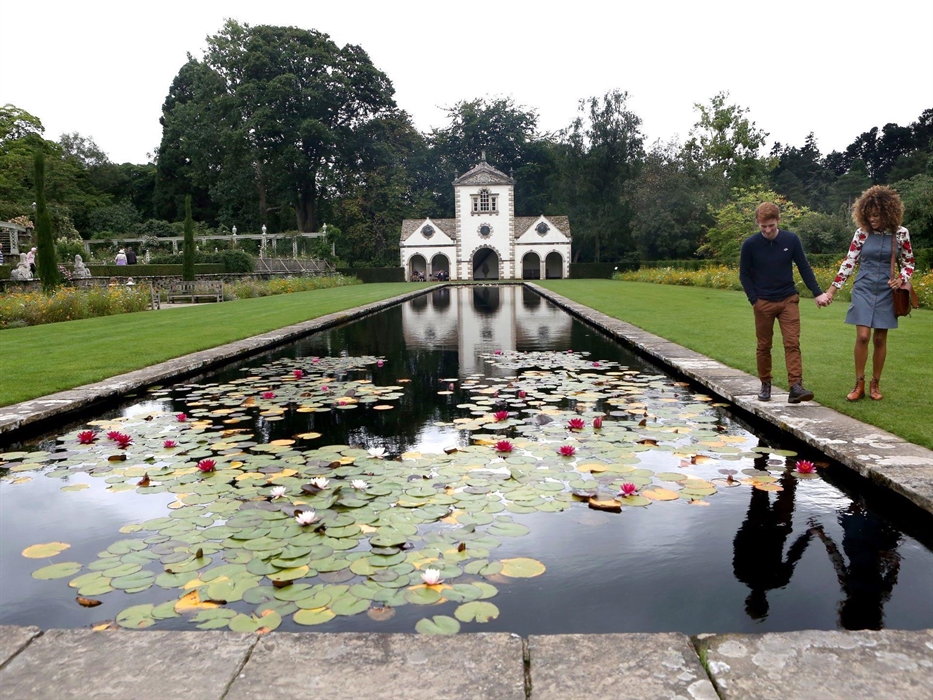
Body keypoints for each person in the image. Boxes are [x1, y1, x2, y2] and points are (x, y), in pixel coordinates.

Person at [825, 186, 914, 401]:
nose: (872, 219)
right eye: (868, 215)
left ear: (888, 212)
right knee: (863, 336)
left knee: (881, 340)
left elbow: (909, 263)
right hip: (864, 287)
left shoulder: (901, 234)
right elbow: (849, 262)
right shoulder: (862, 233)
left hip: (887, 290)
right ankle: (859, 383)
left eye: (876, 215)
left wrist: (901, 279)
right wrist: (831, 291)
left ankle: (875, 383)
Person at [739, 202, 830, 403]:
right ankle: (765, 384)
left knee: (792, 342)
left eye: (771, 225)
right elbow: (744, 275)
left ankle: (795, 386)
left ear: (778, 220)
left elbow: (804, 267)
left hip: (788, 298)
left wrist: (817, 293)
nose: (768, 230)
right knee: (764, 346)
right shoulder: (750, 245)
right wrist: (754, 300)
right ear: (758, 223)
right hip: (763, 302)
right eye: (763, 227)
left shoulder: (791, 239)